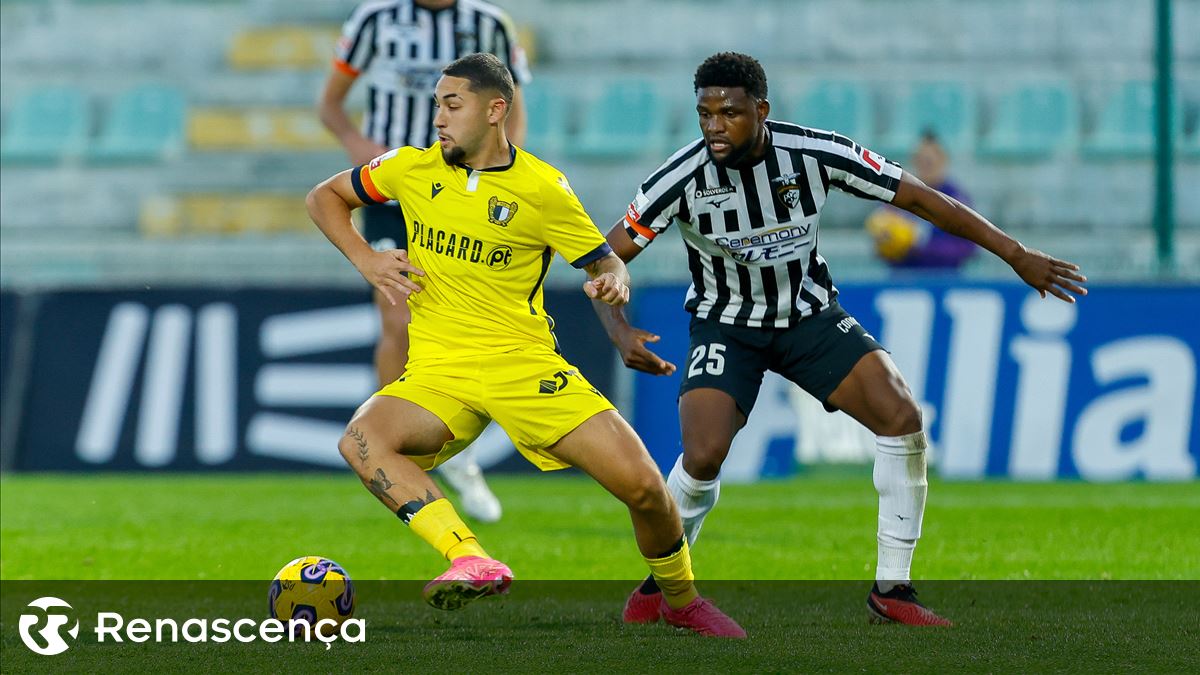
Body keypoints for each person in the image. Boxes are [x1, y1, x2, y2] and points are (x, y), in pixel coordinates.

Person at [595, 52, 1088, 626]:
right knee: (703, 455)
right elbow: (604, 261)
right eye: (704, 113)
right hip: (727, 323)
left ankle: (893, 589)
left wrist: (1017, 254)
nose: (713, 127)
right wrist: (618, 329)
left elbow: (925, 200)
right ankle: (660, 586)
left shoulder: (815, 153)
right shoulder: (680, 178)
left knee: (901, 415)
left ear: (762, 110)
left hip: (808, 317)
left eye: (728, 113)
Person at [306, 53, 745, 638]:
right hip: (439, 370)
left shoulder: (542, 189)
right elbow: (324, 198)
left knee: (644, 487)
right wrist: (368, 260)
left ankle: (679, 597)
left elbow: (604, 257)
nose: (437, 116)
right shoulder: (410, 168)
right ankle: (469, 556)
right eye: (437, 103)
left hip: (523, 365)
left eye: (451, 104)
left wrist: (615, 279)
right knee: (362, 440)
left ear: (495, 110)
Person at [317, 0, 533, 523]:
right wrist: (355, 142)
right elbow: (331, 104)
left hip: (467, 195)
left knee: (466, 314)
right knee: (398, 314)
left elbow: (515, 106)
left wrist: (508, 172)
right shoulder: (375, 19)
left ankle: (458, 451)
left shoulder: (491, 23)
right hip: (395, 193)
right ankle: (409, 449)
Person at [865, 131, 977, 269]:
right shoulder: (898, 195)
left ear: (943, 160)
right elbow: (880, 247)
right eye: (920, 160)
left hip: (946, 280)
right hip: (904, 280)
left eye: (929, 161)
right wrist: (887, 241)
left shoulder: (957, 199)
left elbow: (968, 247)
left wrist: (920, 243)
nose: (925, 166)